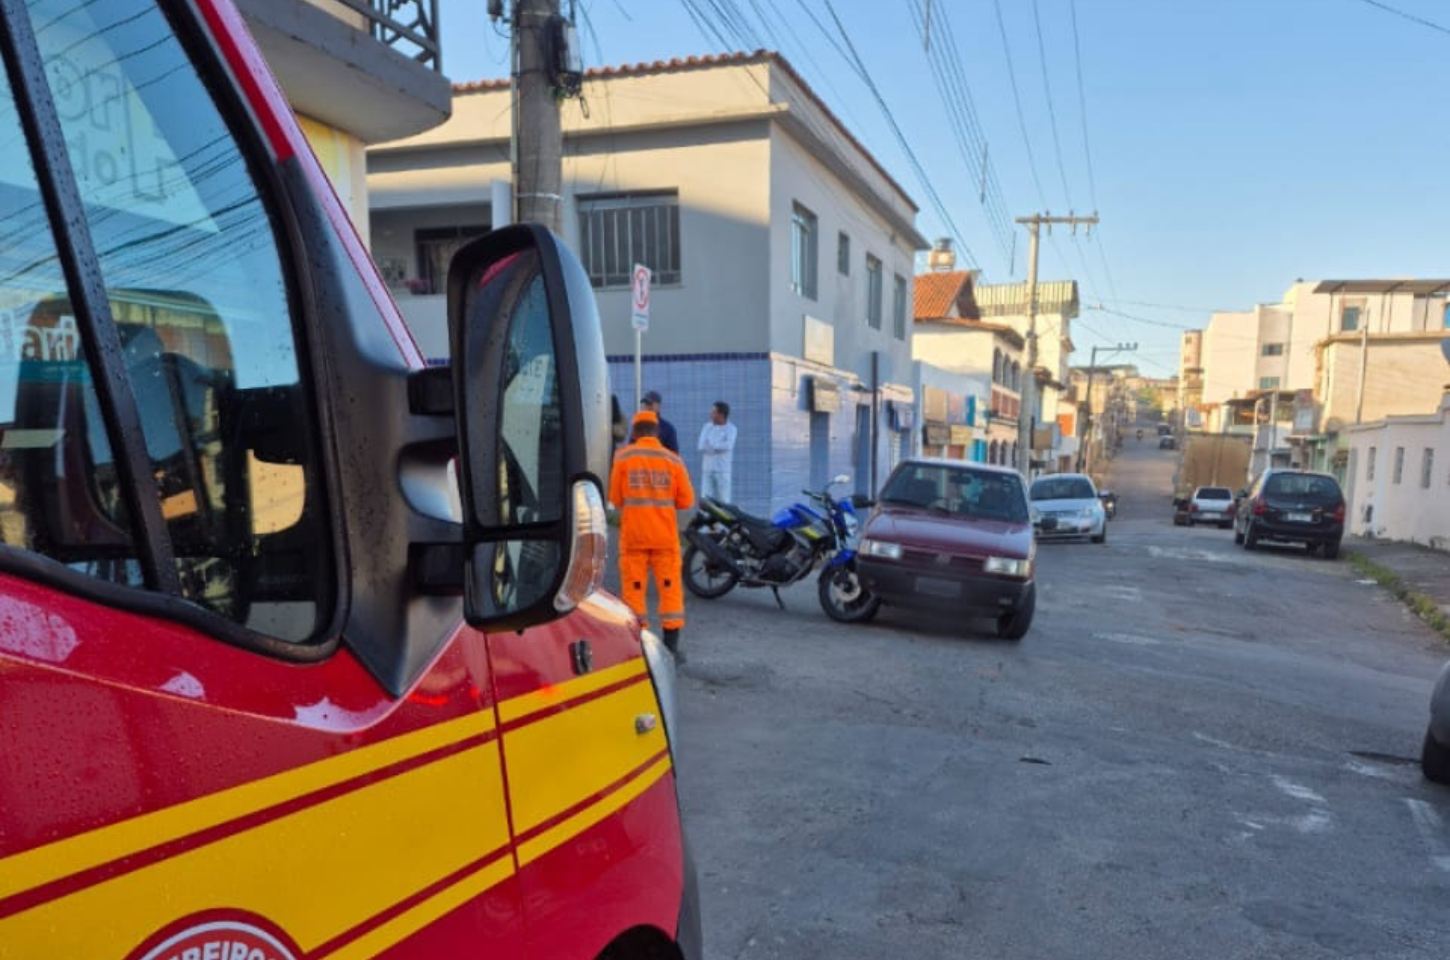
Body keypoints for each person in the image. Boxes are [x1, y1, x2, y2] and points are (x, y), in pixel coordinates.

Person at [609, 409, 695, 662]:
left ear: (635, 432)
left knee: (634, 591)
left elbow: (615, 498)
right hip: (664, 539)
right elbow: (686, 500)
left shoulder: (623, 457)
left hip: (634, 537)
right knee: (670, 591)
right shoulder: (673, 461)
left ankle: (640, 649)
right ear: (656, 432)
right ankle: (671, 649)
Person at [696, 400, 737, 503]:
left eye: (714, 412)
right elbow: (701, 446)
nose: (711, 414)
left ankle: (724, 519)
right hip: (707, 469)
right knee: (705, 498)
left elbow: (727, 446)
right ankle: (705, 518)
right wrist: (716, 447)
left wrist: (711, 446)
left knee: (724, 499)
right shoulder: (707, 427)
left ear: (721, 414)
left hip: (722, 469)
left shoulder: (731, 429)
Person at [641, 390, 679, 454]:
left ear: (659, 406)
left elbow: (674, 454)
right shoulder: (639, 427)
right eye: (645, 404)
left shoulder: (667, 429)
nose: (647, 407)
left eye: (650, 404)